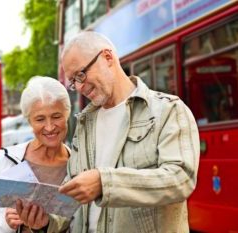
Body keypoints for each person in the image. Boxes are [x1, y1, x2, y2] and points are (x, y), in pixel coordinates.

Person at [20, 31, 200, 232]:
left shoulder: (168, 110)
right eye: (73, 82)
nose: (79, 87)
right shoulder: (84, 123)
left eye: (81, 74)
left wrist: (104, 183)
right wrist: (45, 221)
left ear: (107, 58)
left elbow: (180, 179)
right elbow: (72, 200)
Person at [0, 76, 71, 233]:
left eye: (56, 116)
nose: (49, 127)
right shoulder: (4, 159)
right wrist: (5, 223)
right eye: (40, 119)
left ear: (67, 114)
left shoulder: (78, 164)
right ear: (29, 121)